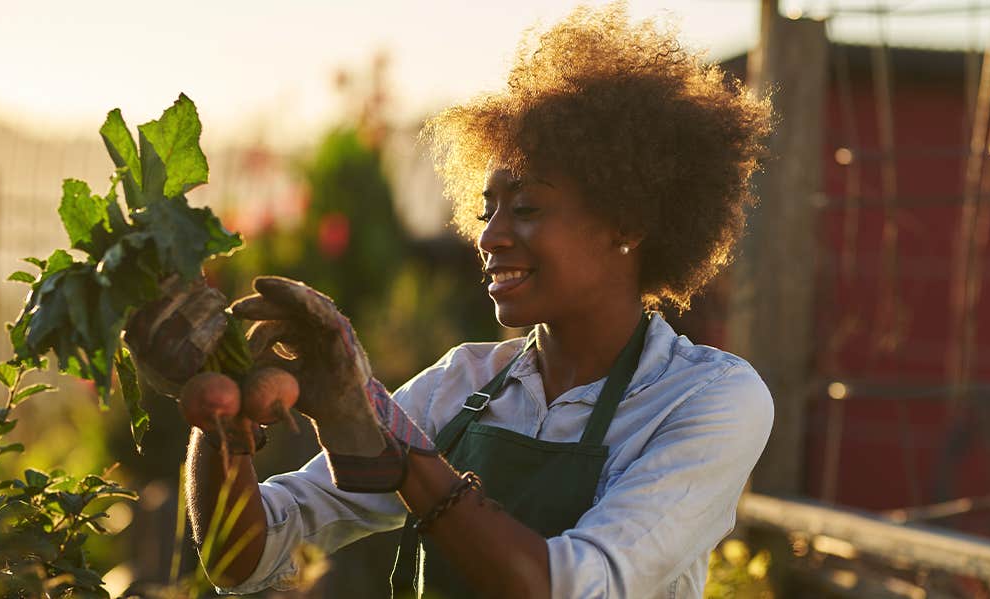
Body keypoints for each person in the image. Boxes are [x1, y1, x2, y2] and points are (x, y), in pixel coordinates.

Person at [127, 5, 774, 597]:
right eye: (486, 208)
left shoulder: (707, 399)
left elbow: (572, 585)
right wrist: (223, 422)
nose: (490, 236)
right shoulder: (465, 385)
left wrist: (398, 448)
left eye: (525, 208)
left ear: (626, 223)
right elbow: (244, 556)